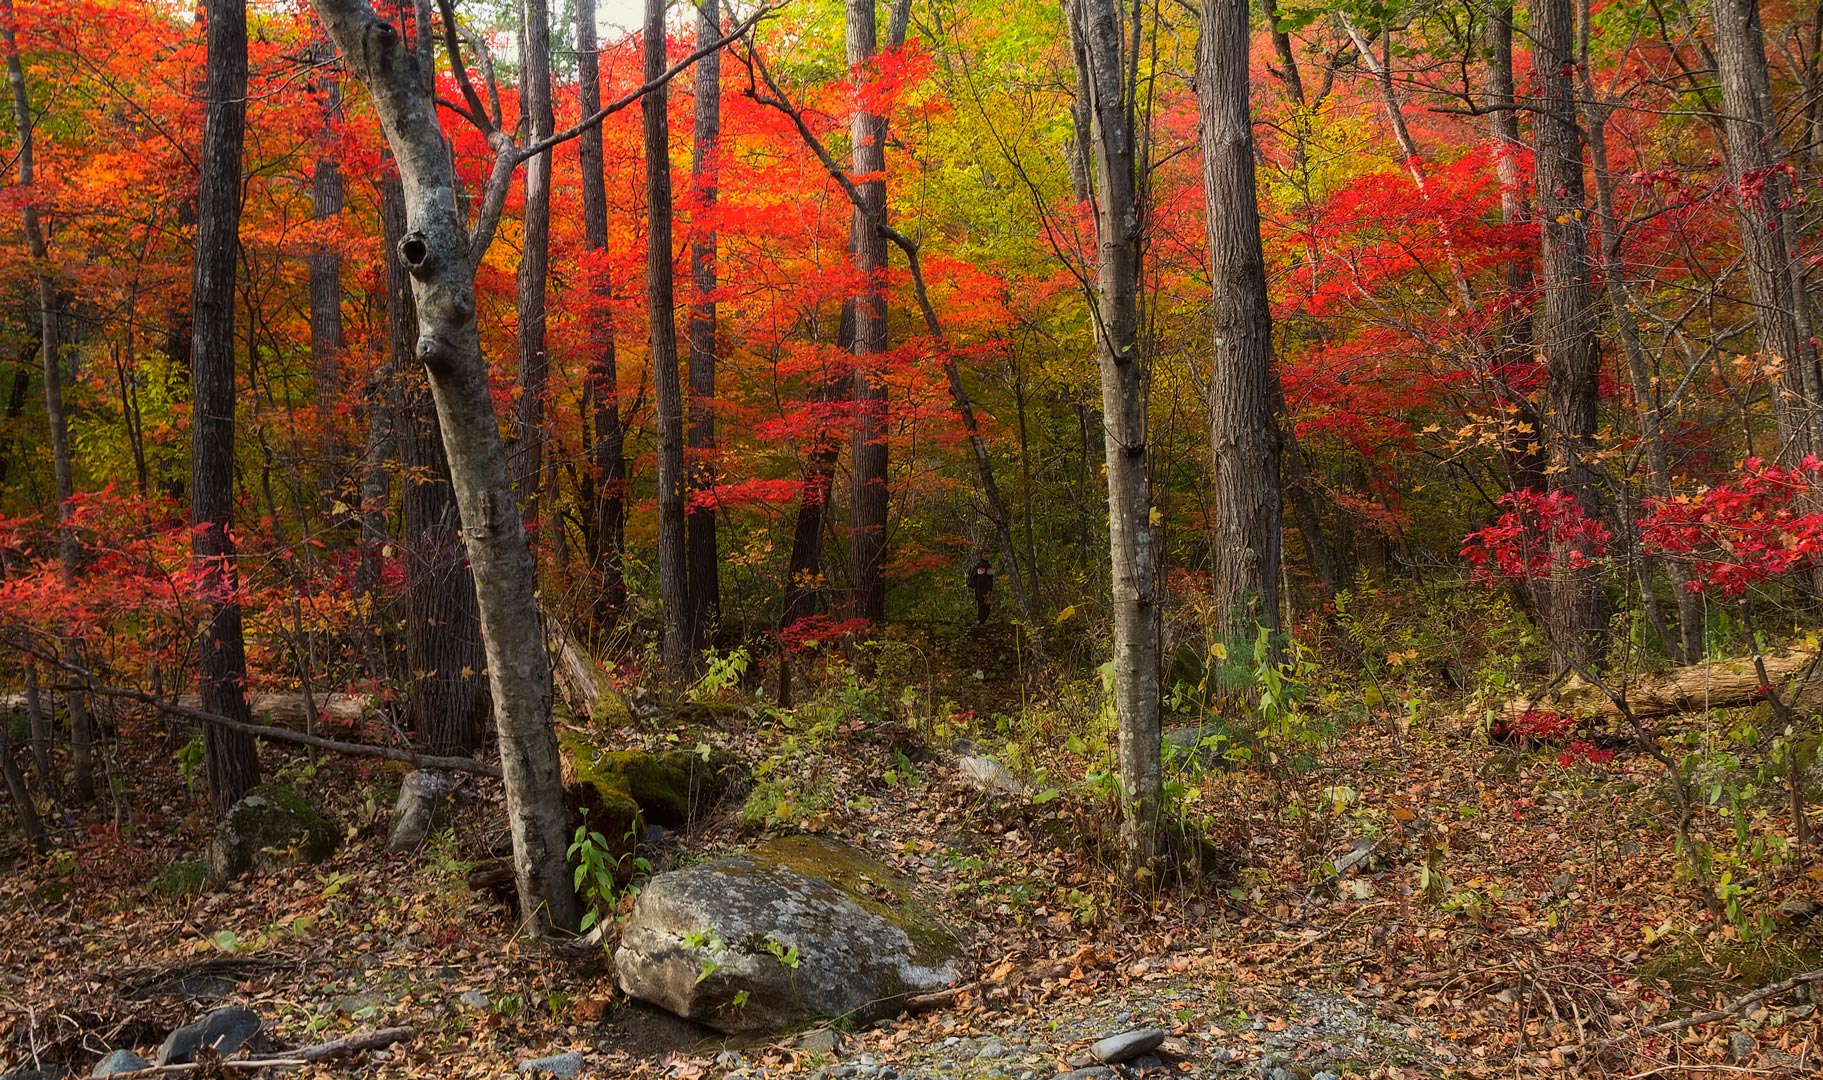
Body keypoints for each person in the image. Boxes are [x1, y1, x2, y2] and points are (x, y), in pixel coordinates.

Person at [967, 555, 994, 625]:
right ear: (981, 555)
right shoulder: (981, 566)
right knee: (983, 608)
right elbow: (980, 581)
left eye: (987, 554)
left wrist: (990, 590)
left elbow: (990, 580)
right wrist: (985, 592)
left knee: (985, 608)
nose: (986, 556)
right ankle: (981, 624)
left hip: (986, 591)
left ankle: (981, 623)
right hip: (982, 591)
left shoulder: (988, 566)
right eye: (984, 554)